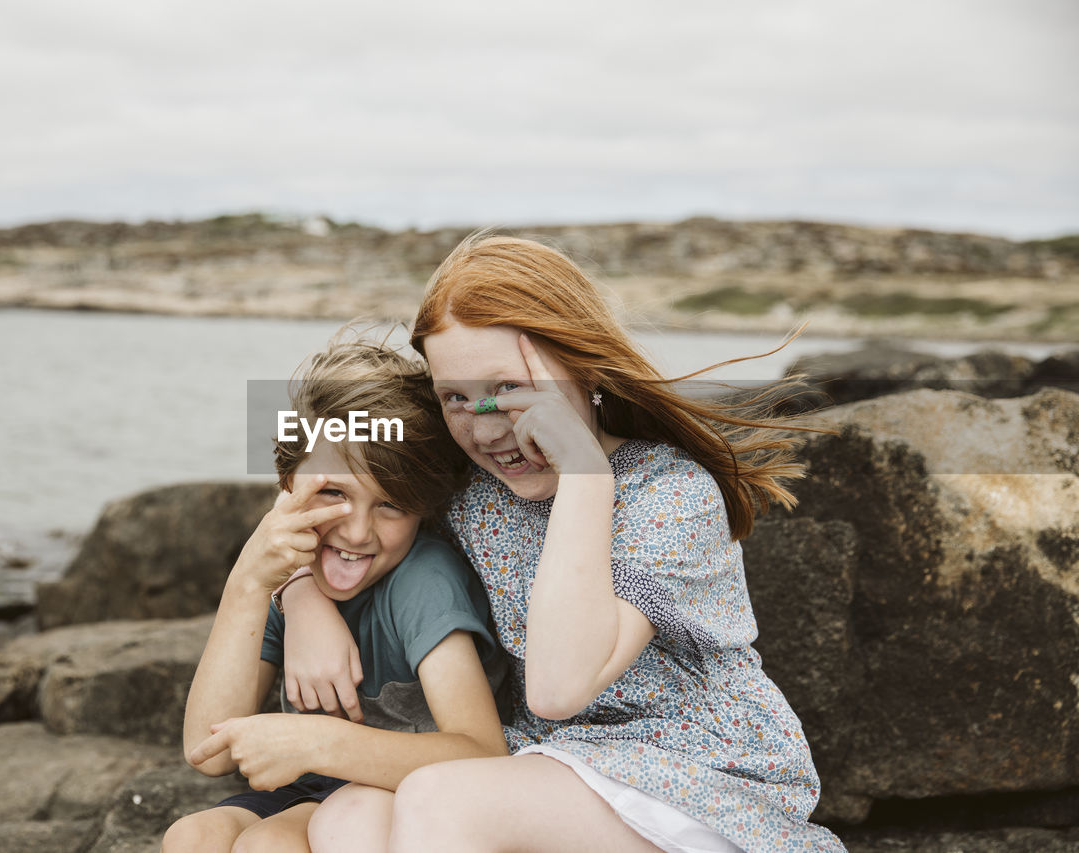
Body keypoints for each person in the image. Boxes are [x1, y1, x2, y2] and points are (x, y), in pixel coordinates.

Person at [279, 235, 848, 852]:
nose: (488, 427)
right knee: (348, 815)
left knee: (441, 796)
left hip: (698, 781)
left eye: (511, 389)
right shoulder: (476, 491)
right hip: (551, 765)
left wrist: (584, 473)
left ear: (585, 370)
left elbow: (557, 689)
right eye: (456, 398)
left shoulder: (673, 497)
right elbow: (329, 479)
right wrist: (302, 593)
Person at [162, 341, 508, 853]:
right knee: (191, 837)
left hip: (404, 789)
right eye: (333, 493)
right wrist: (252, 583)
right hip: (311, 784)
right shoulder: (288, 579)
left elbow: (482, 754)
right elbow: (207, 751)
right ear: (288, 483)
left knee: (269, 846)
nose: (357, 531)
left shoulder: (424, 581)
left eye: (390, 503)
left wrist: (315, 742)